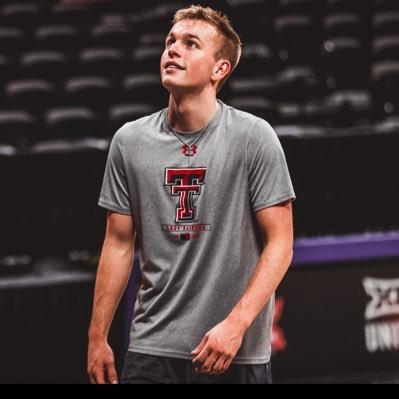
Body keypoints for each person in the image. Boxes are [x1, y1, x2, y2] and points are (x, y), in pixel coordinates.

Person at [87, 5, 295, 384]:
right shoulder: (129, 142)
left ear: (220, 70)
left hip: (234, 350)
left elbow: (280, 244)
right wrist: (97, 336)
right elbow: (117, 245)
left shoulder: (254, 137)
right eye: (170, 42)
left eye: (190, 43)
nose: (173, 50)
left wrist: (237, 324)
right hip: (152, 348)